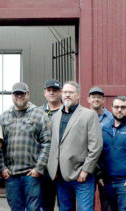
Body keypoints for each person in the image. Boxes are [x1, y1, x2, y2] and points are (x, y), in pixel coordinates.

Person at [47, 81, 103, 211]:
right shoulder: (55, 117)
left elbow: (96, 146)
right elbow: (52, 145)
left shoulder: (89, 115)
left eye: (71, 92)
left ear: (78, 95)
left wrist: (86, 170)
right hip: (61, 176)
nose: (67, 95)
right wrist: (52, 169)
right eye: (65, 92)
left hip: (82, 175)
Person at [0, 82, 51, 211]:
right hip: (11, 176)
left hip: (31, 176)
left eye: (22, 93)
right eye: (16, 94)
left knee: (34, 209)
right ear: (12, 95)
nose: (19, 96)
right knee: (16, 208)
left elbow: (47, 143)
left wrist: (39, 168)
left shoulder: (40, 115)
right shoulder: (3, 117)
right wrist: (2, 168)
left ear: (28, 94)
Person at [88, 86, 113, 211]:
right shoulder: (84, 117)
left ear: (103, 100)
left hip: (106, 168)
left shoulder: (111, 119)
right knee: (87, 202)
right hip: (88, 166)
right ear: (88, 99)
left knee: (107, 202)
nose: (96, 99)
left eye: (99, 97)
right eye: (93, 97)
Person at [40, 79, 63, 211]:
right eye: (49, 91)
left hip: (62, 167)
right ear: (44, 93)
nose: (52, 93)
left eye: (55, 90)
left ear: (60, 92)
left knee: (65, 205)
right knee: (45, 204)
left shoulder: (68, 112)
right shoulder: (38, 112)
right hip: (44, 166)